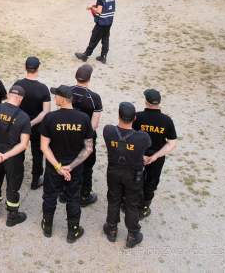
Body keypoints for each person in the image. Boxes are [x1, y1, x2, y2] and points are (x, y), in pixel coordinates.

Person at [39, 85, 94, 242]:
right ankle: (73, 231)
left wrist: (58, 167)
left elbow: (44, 146)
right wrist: (70, 167)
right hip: (74, 169)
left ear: (62, 99)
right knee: (73, 198)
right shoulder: (83, 118)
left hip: (53, 167)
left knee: (50, 196)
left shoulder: (50, 118)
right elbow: (88, 148)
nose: (54, 98)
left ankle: (47, 227)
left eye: (56, 95)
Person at [102, 102, 151, 249]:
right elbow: (145, 147)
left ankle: (111, 229)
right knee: (132, 203)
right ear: (134, 118)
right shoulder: (142, 137)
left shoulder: (108, 131)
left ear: (118, 115)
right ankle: (132, 234)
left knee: (113, 199)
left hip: (114, 172)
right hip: (133, 175)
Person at [0, 85, 31, 226]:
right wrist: (5, 156)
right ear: (21, 99)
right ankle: (12, 216)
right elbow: (23, 144)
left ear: (9, 95)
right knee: (13, 185)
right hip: (13, 158)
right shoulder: (24, 117)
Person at [133, 89, 178, 218]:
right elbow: (172, 143)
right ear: (159, 103)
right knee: (152, 182)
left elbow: (128, 136)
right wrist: (156, 156)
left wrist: (141, 155)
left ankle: (130, 203)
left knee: (134, 179)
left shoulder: (137, 116)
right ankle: (144, 208)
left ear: (146, 101)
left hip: (137, 156)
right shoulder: (166, 120)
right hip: (157, 158)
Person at [66, 64, 103, 207]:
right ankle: (84, 195)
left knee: (67, 161)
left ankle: (65, 193)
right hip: (85, 136)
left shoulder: (67, 91)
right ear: (89, 79)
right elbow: (94, 125)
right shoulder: (94, 97)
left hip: (67, 134)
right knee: (87, 166)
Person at [13, 56, 51, 190]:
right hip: (37, 127)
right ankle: (36, 180)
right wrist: (31, 122)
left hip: (18, 124)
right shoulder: (43, 89)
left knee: (18, 151)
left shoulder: (17, 85)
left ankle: (16, 177)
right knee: (37, 153)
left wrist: (23, 122)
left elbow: (13, 106)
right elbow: (45, 112)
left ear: (25, 67)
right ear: (37, 68)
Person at [75, 0, 115, 64]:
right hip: (109, 22)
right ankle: (103, 56)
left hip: (101, 23)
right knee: (105, 38)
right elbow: (107, 8)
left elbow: (99, 11)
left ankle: (85, 55)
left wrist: (91, 7)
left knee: (94, 38)